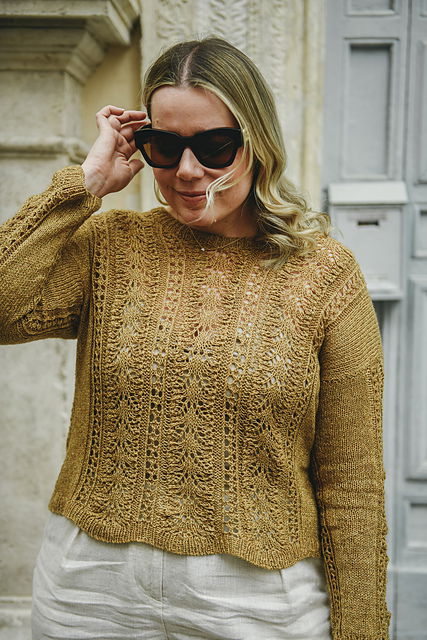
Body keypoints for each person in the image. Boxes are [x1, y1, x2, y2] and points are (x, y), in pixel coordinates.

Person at [0, 37, 390, 640]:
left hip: (258, 599)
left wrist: (362, 629)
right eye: (164, 146)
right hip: (91, 589)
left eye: (214, 146)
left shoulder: (325, 276)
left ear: (257, 142)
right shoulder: (111, 247)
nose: (186, 170)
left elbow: (352, 482)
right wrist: (85, 185)